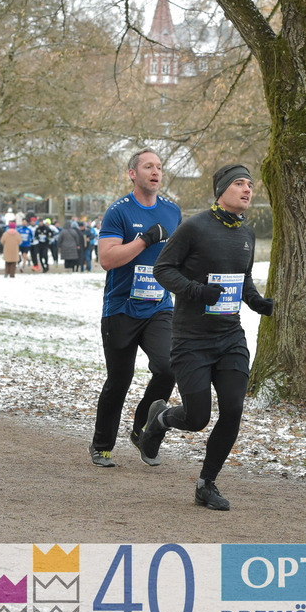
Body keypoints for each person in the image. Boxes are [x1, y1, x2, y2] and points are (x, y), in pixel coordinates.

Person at [140, 164, 273, 510]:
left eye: (250, 185)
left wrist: (258, 302)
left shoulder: (247, 234)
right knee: (197, 418)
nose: (247, 190)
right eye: (240, 184)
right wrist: (198, 291)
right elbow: (162, 270)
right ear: (222, 190)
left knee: (233, 409)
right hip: (191, 339)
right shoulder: (194, 228)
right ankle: (160, 419)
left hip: (230, 337)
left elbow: (242, 281)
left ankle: (206, 484)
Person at [88, 147, 181, 467]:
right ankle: (101, 444)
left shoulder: (172, 211)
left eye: (159, 167)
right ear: (133, 174)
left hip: (159, 306)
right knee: (119, 378)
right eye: (148, 167)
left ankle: (143, 427)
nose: (155, 172)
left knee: (169, 367)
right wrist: (143, 241)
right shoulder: (119, 212)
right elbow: (106, 259)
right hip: (121, 307)